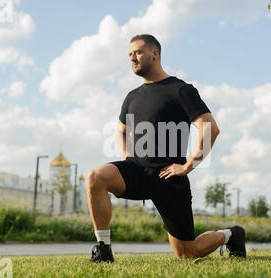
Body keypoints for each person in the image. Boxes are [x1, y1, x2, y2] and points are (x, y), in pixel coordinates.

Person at [86, 34, 246, 262]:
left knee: (187, 253)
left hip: (169, 179)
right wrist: (128, 157)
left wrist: (188, 165)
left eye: (138, 52)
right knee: (95, 177)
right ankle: (103, 250)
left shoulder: (180, 90)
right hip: (137, 172)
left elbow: (210, 127)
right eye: (129, 55)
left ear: (155, 53)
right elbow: (121, 130)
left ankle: (231, 234)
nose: (133, 58)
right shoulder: (132, 96)